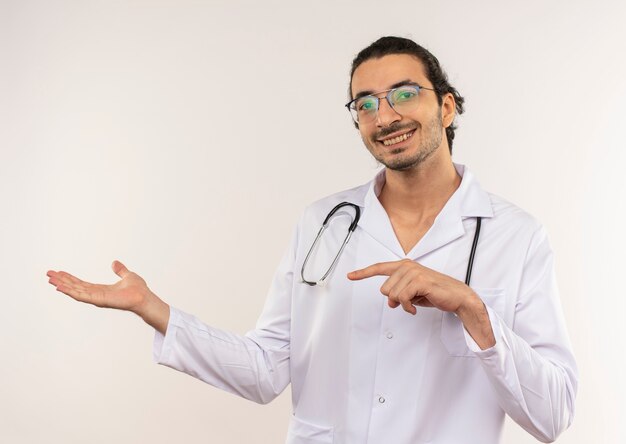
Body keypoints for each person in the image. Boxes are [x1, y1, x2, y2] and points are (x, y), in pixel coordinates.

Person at [47, 36, 578, 444]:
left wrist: (472, 310)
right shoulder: (324, 223)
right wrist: (153, 308)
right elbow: (264, 369)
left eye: (404, 94)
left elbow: (552, 415)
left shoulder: (517, 237)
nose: (384, 115)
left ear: (446, 107)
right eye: (364, 103)